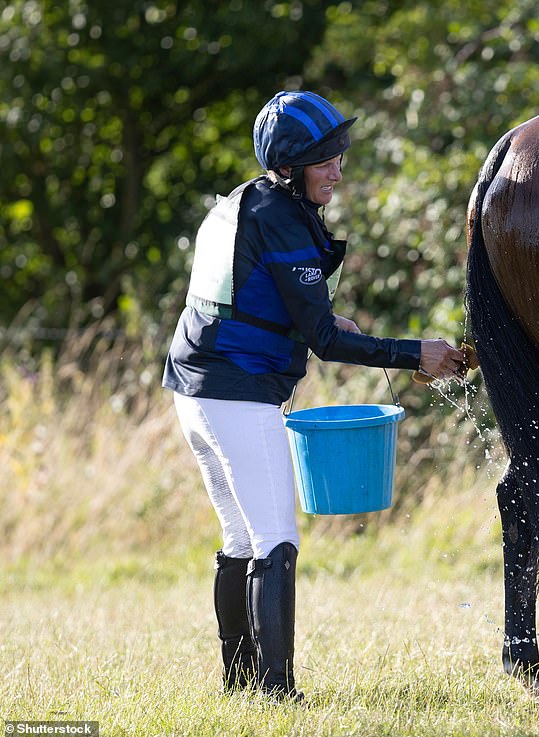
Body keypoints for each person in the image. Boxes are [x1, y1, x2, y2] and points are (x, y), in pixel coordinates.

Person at [162, 90, 466, 700]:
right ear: (289, 165)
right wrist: (415, 353)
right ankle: (277, 693)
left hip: (194, 392)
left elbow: (256, 300)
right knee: (276, 538)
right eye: (323, 158)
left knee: (241, 539)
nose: (337, 168)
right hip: (235, 398)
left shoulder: (246, 202)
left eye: (338, 154)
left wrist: (323, 325)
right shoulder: (278, 215)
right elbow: (325, 342)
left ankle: (241, 684)